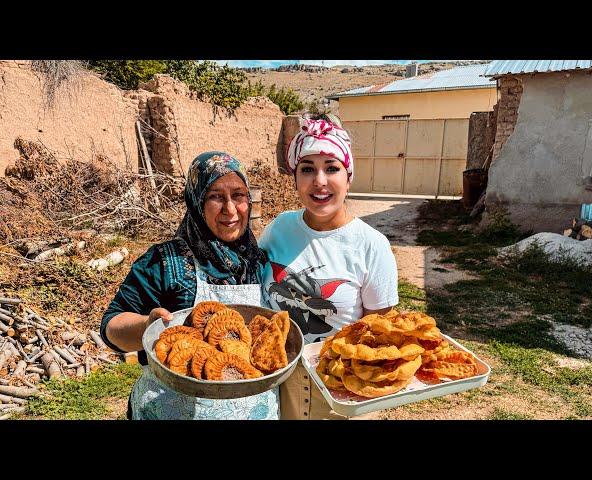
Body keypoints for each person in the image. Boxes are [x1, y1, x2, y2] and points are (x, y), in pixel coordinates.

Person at [100, 151, 278, 420]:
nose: (230, 209)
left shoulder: (261, 261)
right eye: (216, 196)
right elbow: (111, 327)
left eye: (238, 195)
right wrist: (147, 328)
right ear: (196, 201)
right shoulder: (164, 261)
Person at [259, 113, 399, 419]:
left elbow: (380, 335)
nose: (319, 181)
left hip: (342, 392)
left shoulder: (371, 245)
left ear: (348, 177)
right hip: (281, 385)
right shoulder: (279, 228)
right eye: (307, 169)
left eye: (332, 168)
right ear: (295, 178)